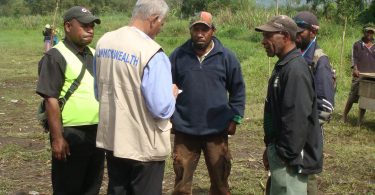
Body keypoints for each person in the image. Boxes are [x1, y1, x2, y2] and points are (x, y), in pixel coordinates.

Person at [95, 0, 177, 194]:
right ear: (154, 19)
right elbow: (160, 108)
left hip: (114, 139)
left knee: (117, 188)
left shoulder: (104, 42)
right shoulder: (152, 53)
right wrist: (172, 94)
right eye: (161, 23)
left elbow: (99, 92)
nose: (160, 29)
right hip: (144, 146)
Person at [170, 11, 246, 195]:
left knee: (220, 183)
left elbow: (237, 89)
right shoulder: (178, 56)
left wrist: (235, 118)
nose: (200, 34)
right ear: (190, 31)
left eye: (204, 29)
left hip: (216, 130)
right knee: (181, 184)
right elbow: (166, 88)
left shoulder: (226, 57)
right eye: (196, 29)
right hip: (185, 130)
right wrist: (170, 117)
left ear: (213, 30)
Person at [36, 6, 104, 195]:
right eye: (84, 26)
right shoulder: (55, 57)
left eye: (92, 26)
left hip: (97, 133)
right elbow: (50, 99)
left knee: (92, 186)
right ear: (68, 26)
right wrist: (57, 138)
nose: (90, 30)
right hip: (71, 134)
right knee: (68, 187)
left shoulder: (95, 54)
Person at [255, 15, 323, 195]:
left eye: (268, 36)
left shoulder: (295, 70)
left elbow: (297, 120)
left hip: (290, 162)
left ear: (285, 36)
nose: (263, 41)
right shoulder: (285, 66)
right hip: (282, 154)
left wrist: (283, 154)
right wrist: (271, 149)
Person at [294, 11, 335, 195]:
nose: (296, 34)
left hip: (308, 134)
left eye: (300, 31)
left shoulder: (320, 61)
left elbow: (325, 106)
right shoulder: (296, 55)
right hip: (291, 132)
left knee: (306, 174)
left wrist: (305, 128)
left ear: (313, 32)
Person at [343, 24, 375, 124]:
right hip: (359, 74)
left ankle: (359, 121)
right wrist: (355, 69)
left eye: (371, 32)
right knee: (352, 97)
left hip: (371, 76)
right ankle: (344, 115)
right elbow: (354, 58)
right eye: (368, 32)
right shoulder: (357, 44)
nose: (369, 34)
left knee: (365, 99)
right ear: (364, 32)